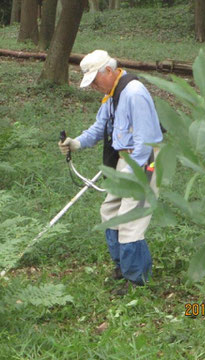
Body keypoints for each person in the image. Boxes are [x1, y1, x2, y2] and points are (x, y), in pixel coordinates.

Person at [58, 50, 163, 292]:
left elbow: (146, 142)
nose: (94, 86)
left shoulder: (134, 93)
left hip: (144, 160)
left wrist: (130, 175)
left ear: (109, 70)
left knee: (131, 217)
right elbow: (99, 127)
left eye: (96, 80)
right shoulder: (112, 94)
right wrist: (77, 143)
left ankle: (137, 281)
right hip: (124, 158)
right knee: (110, 211)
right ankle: (123, 268)